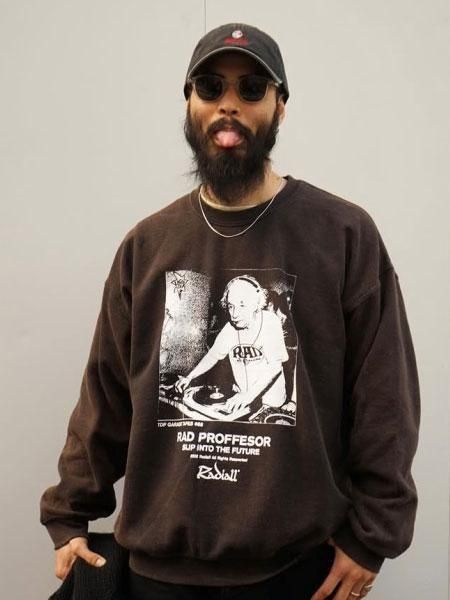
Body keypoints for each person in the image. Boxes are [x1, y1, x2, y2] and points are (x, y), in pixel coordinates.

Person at [40, 22, 420, 600]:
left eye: (251, 89)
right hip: (158, 574)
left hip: (295, 572)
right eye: (211, 87)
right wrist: (70, 512)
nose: (229, 105)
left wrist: (373, 536)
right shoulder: (148, 245)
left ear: (280, 106)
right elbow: (106, 392)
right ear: (189, 103)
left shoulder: (343, 235)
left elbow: (386, 397)